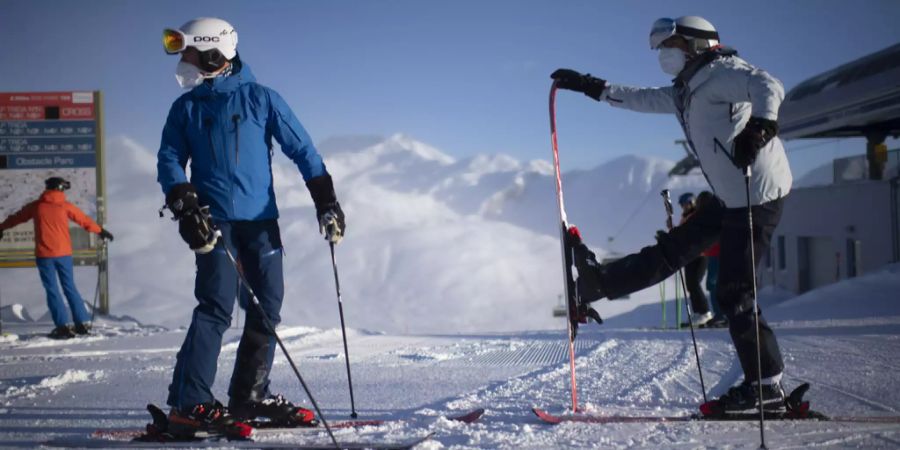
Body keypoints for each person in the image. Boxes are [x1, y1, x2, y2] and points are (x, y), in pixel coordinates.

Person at [551, 15, 792, 415]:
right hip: (727, 197)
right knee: (671, 252)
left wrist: (763, 126)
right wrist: (590, 86)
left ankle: (767, 388)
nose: (663, 55)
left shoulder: (724, 73)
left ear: (696, 46)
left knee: (734, 291)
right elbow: (641, 98)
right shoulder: (688, 90)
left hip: (756, 195)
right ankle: (596, 284)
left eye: (670, 47)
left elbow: (769, 85)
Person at [156, 17, 345, 436]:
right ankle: (191, 403)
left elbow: (303, 149)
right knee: (216, 304)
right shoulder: (186, 107)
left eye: (188, 52)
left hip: (261, 222)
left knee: (268, 306)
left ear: (213, 53)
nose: (183, 62)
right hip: (213, 221)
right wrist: (184, 202)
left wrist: (326, 201)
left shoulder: (262, 99)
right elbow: (169, 159)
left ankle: (248, 397)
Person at [0, 177, 114, 338]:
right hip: (64, 254)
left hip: (44, 255)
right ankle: (82, 323)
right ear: (60, 189)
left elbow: (17, 217)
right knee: (70, 287)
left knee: (52, 290)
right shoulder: (65, 206)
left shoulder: (36, 206)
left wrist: (2, 227)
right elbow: (84, 221)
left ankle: (63, 327)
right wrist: (101, 231)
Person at [677, 192, 714, 327]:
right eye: (682, 205)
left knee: (694, 282)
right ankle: (698, 313)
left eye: (685, 204)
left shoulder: (696, 215)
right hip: (689, 255)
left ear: (691, 203)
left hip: (700, 254)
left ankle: (705, 311)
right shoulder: (685, 217)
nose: (683, 208)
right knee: (690, 284)